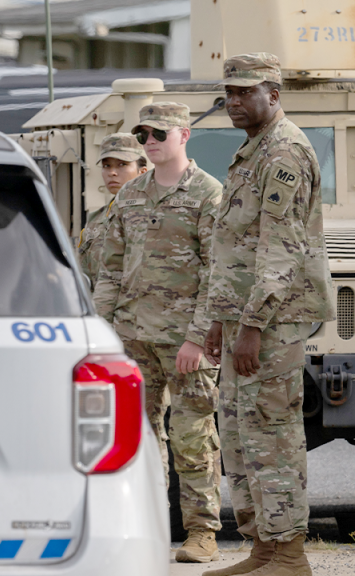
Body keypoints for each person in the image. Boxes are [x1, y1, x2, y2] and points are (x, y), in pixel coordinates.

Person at [200, 53, 333, 576]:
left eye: (245, 92)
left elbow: (281, 249)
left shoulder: (284, 153)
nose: (234, 102)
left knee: (272, 434)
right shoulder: (253, 150)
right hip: (242, 319)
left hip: (271, 322)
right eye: (228, 93)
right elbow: (233, 246)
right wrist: (219, 318)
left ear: (273, 95)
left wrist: (251, 326)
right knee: (238, 434)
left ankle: (290, 553)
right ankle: (263, 548)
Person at [92, 103, 224, 562]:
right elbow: (110, 271)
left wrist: (197, 337)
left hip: (186, 340)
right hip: (132, 336)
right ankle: (145, 528)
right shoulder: (130, 197)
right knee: (138, 438)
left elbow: (217, 275)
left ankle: (202, 533)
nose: (149, 140)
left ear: (183, 135)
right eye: (143, 133)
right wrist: (101, 332)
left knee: (193, 437)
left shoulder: (209, 194)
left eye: (158, 133)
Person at [77, 133, 148, 291]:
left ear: (143, 172)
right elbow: (83, 274)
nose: (112, 173)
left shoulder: (155, 216)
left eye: (122, 165)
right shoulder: (97, 219)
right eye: (107, 166)